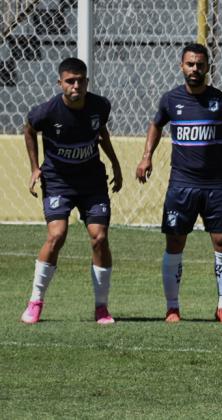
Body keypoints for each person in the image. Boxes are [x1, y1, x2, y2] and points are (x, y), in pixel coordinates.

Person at [135, 43, 222, 324]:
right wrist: (146, 157)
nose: (195, 69)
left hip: (215, 186)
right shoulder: (170, 100)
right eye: (190, 64)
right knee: (174, 242)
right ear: (181, 66)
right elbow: (156, 125)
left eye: (200, 64)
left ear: (208, 67)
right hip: (181, 185)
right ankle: (172, 308)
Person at [20, 57, 123, 325]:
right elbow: (28, 130)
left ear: (87, 82)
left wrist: (115, 163)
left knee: (99, 238)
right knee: (57, 235)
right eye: (70, 81)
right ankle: (35, 302)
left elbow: (101, 132)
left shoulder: (100, 105)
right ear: (60, 83)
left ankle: (101, 308)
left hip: (92, 182)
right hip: (58, 182)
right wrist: (34, 167)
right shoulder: (46, 112)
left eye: (80, 81)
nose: (76, 86)